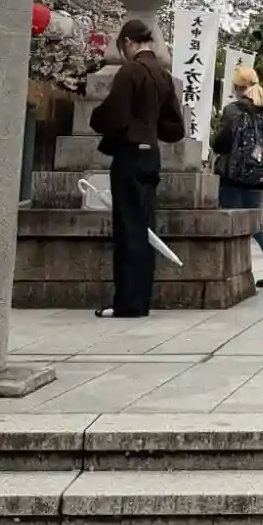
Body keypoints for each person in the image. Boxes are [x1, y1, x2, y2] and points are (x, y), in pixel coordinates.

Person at [87, 17, 185, 318]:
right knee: (143, 226)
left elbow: (113, 114)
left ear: (128, 42)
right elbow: (174, 128)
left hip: (130, 153)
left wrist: (99, 119)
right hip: (151, 154)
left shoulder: (131, 71)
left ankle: (128, 301)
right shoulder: (163, 75)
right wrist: (149, 126)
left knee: (128, 227)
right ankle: (141, 297)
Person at [211, 66, 263, 288]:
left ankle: (229, 270)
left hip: (232, 175)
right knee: (255, 222)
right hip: (257, 176)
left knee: (230, 222)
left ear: (238, 88)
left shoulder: (232, 110)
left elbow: (220, 143)